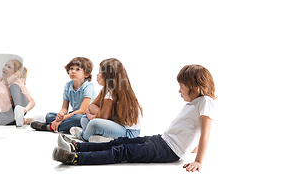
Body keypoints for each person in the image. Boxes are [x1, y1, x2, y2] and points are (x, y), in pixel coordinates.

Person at [53, 64, 216, 172]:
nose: (179, 91)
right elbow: (194, 129)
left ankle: (75, 158)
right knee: (120, 142)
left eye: (182, 87)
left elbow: (206, 133)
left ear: (194, 88)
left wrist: (199, 161)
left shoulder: (205, 101)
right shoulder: (198, 102)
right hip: (162, 140)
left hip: (168, 150)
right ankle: (76, 147)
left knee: (122, 152)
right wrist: (191, 146)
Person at [70, 58, 143, 142]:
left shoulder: (111, 94)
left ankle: (83, 135)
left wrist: (91, 116)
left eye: (100, 72)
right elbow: (91, 106)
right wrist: (94, 114)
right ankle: (105, 139)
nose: (97, 75)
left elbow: (102, 118)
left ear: (108, 76)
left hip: (129, 133)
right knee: (84, 118)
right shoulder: (105, 90)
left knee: (93, 124)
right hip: (114, 125)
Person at [31, 57, 95, 133]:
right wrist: (60, 115)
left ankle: (50, 127)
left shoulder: (88, 87)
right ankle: (66, 127)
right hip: (72, 114)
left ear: (86, 74)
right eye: (71, 69)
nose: (73, 71)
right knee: (49, 116)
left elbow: (82, 111)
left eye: (78, 69)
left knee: (77, 119)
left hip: (84, 116)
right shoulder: (68, 86)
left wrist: (63, 118)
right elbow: (64, 108)